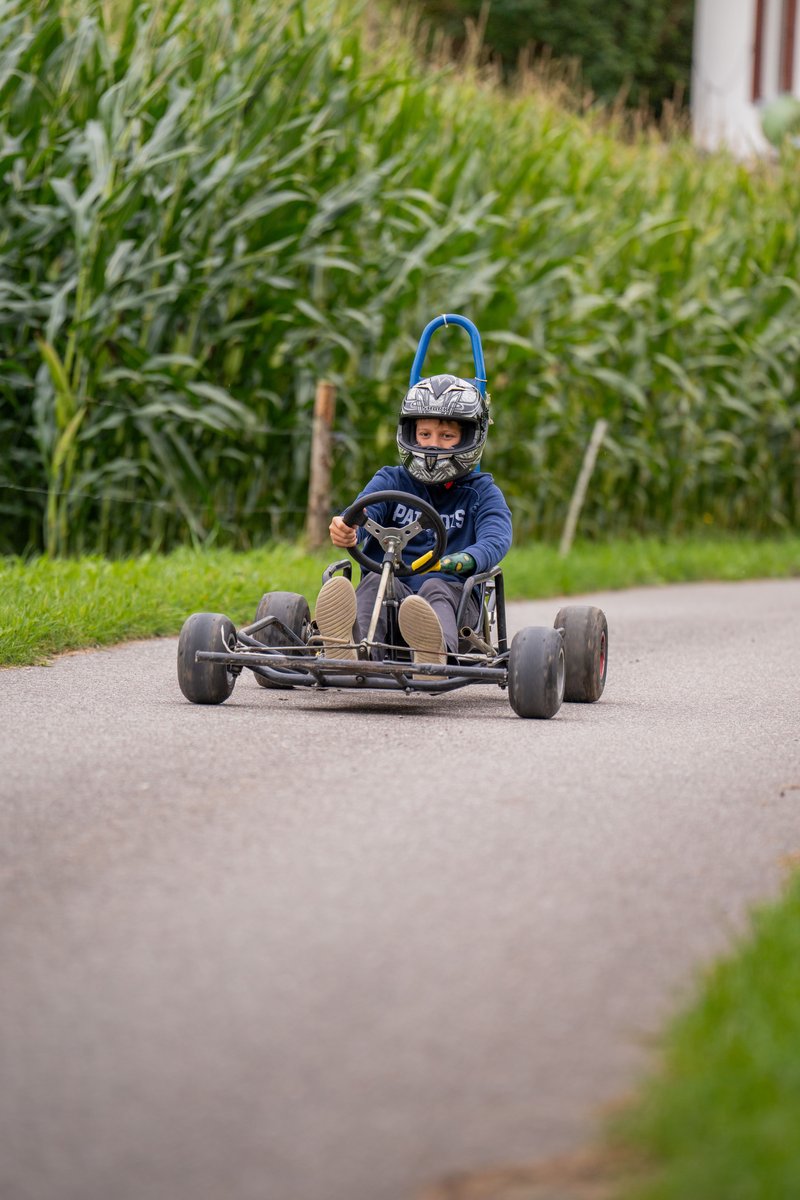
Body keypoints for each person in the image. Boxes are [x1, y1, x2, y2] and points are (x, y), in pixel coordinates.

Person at [314, 373, 512, 669]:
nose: (433, 446)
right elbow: (364, 512)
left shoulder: (481, 492)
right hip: (390, 596)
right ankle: (353, 649)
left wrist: (467, 558)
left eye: (446, 437)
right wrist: (347, 527)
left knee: (435, 587)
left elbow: (496, 537)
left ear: (470, 438)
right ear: (410, 434)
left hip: (454, 599)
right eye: (425, 435)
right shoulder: (391, 480)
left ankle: (436, 655)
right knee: (374, 583)